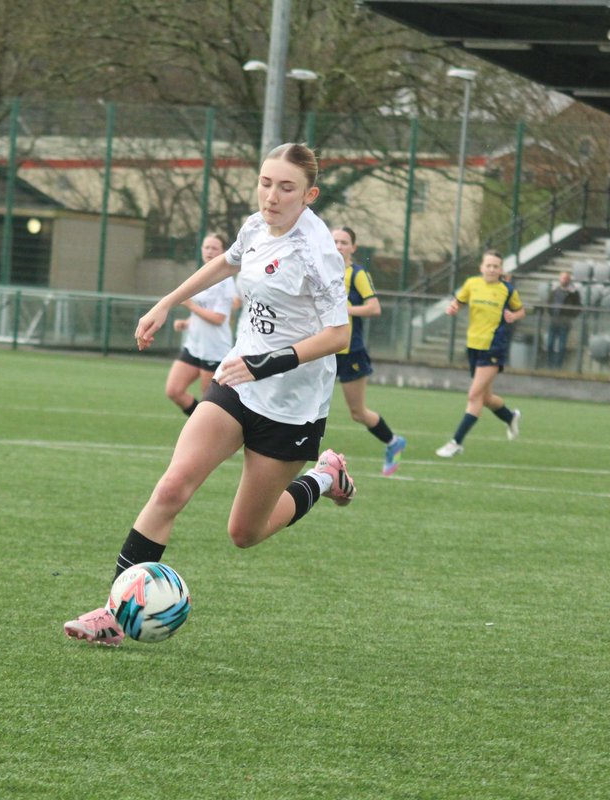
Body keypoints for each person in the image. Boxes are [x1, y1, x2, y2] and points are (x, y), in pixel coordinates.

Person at [65, 142, 355, 646]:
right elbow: (225, 263)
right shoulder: (254, 226)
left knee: (245, 533)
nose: (271, 196)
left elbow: (339, 336)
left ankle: (325, 478)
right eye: (266, 183)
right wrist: (166, 301)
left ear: (309, 194)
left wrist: (267, 362)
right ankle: (114, 613)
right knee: (172, 487)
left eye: (286, 188)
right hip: (235, 383)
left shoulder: (319, 254)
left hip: (292, 407)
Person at [330, 225, 407, 476]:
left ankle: (393, 442)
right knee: (307, 403)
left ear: (353, 247)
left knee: (357, 412)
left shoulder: (357, 274)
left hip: (351, 351)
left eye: (344, 242)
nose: (338, 246)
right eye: (335, 241)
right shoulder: (322, 270)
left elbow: (374, 308)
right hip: (324, 349)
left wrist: (347, 309)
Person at [436, 249, 526, 458]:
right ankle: (510, 417)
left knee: (474, 395)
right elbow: (458, 301)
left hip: (494, 346)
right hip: (473, 345)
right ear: (481, 267)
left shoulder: (507, 290)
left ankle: (456, 442)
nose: (492, 269)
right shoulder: (472, 284)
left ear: (501, 270)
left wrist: (514, 315)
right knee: (485, 397)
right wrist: (453, 307)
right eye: (489, 265)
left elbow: (521, 310)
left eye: (496, 266)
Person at [165, 232, 239, 416]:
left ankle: (210, 437)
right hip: (194, 345)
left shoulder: (224, 281)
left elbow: (219, 318)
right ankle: (199, 428)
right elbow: (205, 310)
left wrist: (190, 305)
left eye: (214, 248)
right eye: (206, 247)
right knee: (174, 390)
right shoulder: (203, 275)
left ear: (223, 252)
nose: (209, 251)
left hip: (213, 349)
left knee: (209, 403)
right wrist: (188, 322)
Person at [545, 270, 582, 369]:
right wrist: (551, 313)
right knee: (549, 344)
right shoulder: (554, 290)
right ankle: (549, 365)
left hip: (565, 322)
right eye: (563, 278)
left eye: (566, 278)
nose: (564, 280)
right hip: (554, 321)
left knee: (561, 346)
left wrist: (570, 316)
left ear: (569, 280)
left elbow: (578, 307)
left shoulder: (573, 293)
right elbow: (548, 303)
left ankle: (558, 366)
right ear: (559, 278)